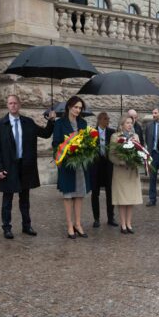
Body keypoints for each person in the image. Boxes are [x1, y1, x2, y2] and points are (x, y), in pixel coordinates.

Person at [0, 95, 55, 239]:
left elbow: (45, 134)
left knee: (25, 199)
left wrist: (51, 120)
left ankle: (27, 225)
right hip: (8, 166)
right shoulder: (0, 124)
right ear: (7, 105)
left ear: (19, 105)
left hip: (25, 166)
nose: (13, 105)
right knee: (7, 199)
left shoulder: (28, 122)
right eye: (10, 103)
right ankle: (6, 228)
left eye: (15, 103)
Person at [52, 95, 91, 239]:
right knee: (68, 196)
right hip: (67, 165)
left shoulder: (83, 123)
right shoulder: (60, 124)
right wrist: (66, 150)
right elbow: (55, 143)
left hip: (80, 166)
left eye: (80, 108)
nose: (78, 110)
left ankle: (78, 224)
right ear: (69, 106)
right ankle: (69, 225)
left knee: (80, 195)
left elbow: (87, 142)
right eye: (76, 107)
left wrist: (85, 150)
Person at [108, 116, 143, 234]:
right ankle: (123, 224)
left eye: (131, 123)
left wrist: (137, 160)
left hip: (132, 171)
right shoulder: (115, 136)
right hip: (121, 171)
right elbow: (111, 155)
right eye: (127, 123)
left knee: (131, 199)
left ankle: (129, 223)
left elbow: (140, 151)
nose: (130, 125)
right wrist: (122, 162)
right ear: (122, 124)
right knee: (122, 200)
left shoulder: (135, 136)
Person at [89, 112, 118, 228]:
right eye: (105, 119)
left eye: (108, 118)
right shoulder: (92, 133)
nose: (108, 121)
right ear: (99, 120)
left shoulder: (112, 133)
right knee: (95, 193)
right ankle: (96, 219)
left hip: (108, 166)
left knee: (110, 193)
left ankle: (111, 217)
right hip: (95, 167)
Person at [144, 108, 159, 207]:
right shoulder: (149, 126)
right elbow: (147, 139)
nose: (153, 115)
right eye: (152, 113)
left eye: (155, 113)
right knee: (152, 178)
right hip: (152, 154)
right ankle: (152, 199)